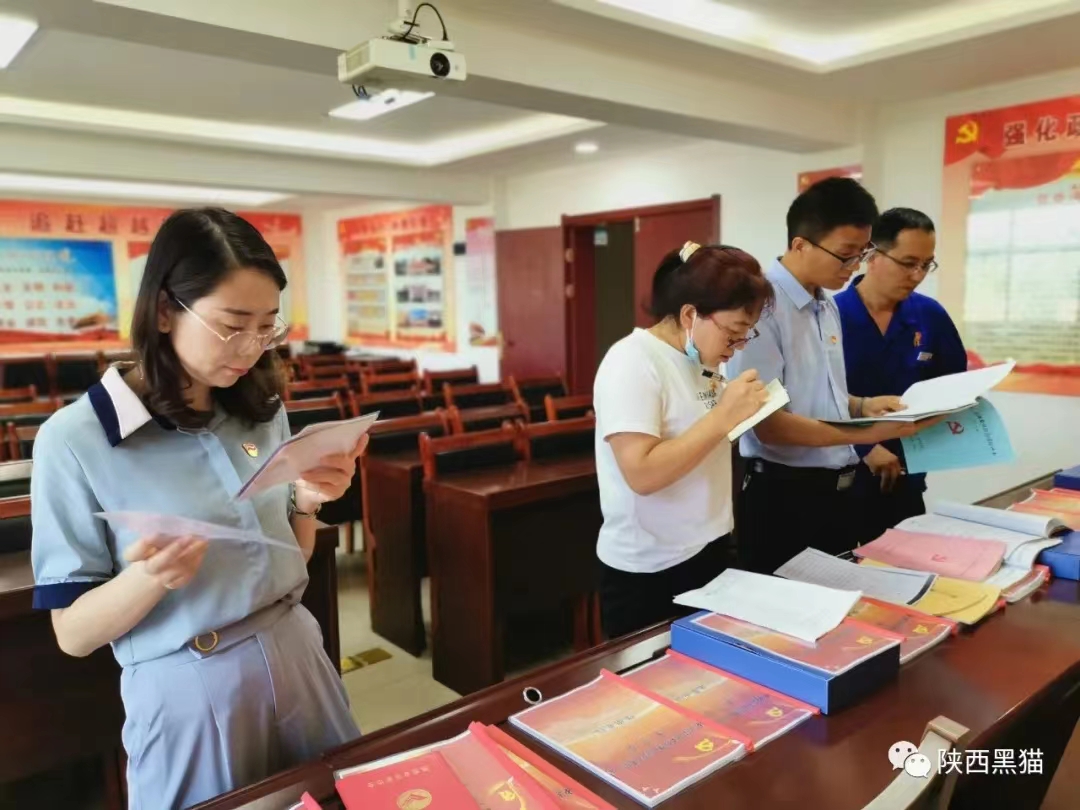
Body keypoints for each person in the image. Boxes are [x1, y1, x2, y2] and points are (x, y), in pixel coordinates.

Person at [31, 209, 363, 809]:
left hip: (297, 651)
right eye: (232, 325)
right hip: (190, 682)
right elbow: (72, 635)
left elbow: (293, 557)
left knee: (342, 799)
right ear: (164, 311)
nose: (251, 347)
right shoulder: (76, 439)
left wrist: (308, 503)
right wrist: (150, 578)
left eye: (267, 326)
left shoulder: (259, 405)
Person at [727, 179, 940, 575]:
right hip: (784, 496)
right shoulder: (761, 307)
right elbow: (767, 425)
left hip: (837, 492)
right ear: (800, 245)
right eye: (845, 255)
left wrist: (862, 405)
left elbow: (821, 392)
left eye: (861, 254)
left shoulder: (826, 304)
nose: (854, 267)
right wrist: (867, 433)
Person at [593, 241, 773, 639]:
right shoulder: (632, 360)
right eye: (733, 333)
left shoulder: (702, 361)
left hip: (709, 547)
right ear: (691, 314)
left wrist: (743, 414)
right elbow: (641, 473)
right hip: (650, 569)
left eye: (746, 335)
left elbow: (700, 445)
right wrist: (723, 415)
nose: (736, 348)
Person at [836, 207, 967, 544]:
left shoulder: (930, 316)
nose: (918, 274)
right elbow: (811, 398)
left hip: (906, 479)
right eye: (909, 263)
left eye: (927, 264)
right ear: (871, 255)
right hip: (839, 480)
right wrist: (864, 448)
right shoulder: (830, 316)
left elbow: (953, 387)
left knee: (910, 576)